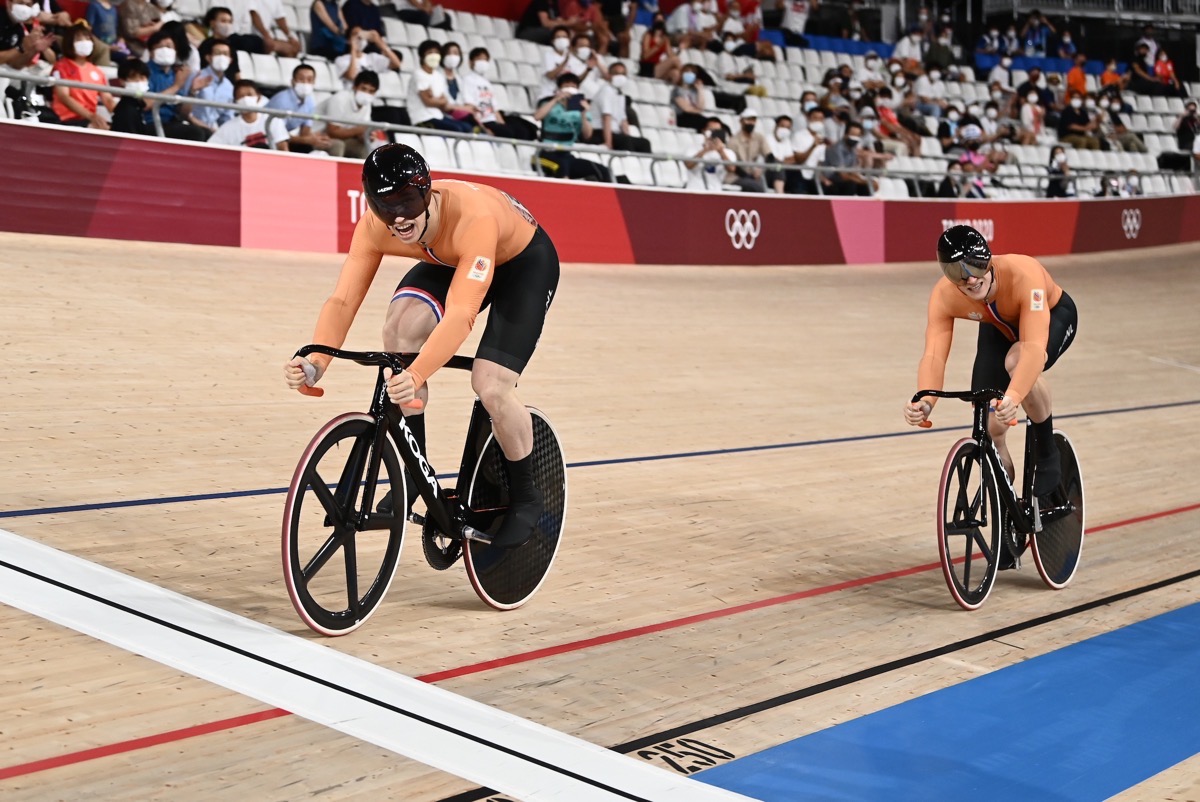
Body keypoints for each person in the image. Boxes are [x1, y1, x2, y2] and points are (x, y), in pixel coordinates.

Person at [283, 144, 560, 550]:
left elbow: (461, 314)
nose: (398, 218)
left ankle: (526, 495)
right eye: (384, 206)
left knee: (491, 384)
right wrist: (318, 359)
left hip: (521, 263)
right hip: (451, 259)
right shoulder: (380, 226)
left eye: (408, 202)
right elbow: (343, 300)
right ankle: (415, 474)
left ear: (427, 194)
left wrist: (415, 375)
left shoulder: (472, 218)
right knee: (399, 332)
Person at [904, 225, 1078, 518]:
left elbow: (1034, 348)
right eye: (957, 272)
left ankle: (1047, 453)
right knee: (989, 422)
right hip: (997, 327)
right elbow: (934, 354)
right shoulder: (945, 295)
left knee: (1017, 362)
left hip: (1053, 315)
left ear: (988, 258)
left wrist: (1014, 395)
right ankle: (1007, 514)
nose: (970, 278)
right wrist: (925, 400)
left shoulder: (1024, 273)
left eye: (975, 265)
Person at [51, 22, 116, 129]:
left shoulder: (97, 71)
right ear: (69, 43)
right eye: (79, 39)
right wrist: (90, 116)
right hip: (65, 119)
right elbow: (64, 96)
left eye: (87, 38)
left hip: (89, 120)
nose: (85, 42)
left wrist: (122, 115)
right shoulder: (61, 66)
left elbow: (108, 99)